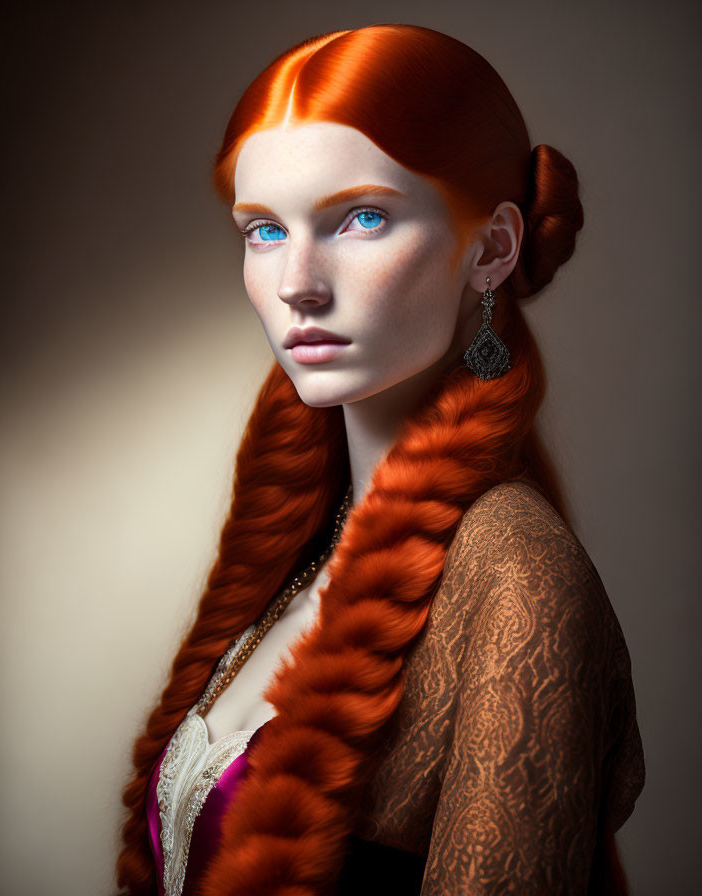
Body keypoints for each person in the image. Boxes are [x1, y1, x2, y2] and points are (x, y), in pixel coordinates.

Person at [115, 23, 645, 896]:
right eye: (264, 230)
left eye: (361, 217)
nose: (297, 284)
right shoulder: (310, 538)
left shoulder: (519, 578)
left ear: (493, 250)